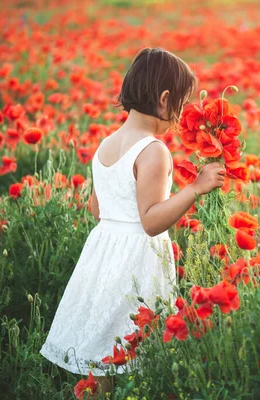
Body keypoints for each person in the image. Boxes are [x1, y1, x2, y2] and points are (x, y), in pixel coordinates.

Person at [39, 47, 226, 395]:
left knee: (103, 345)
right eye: (181, 106)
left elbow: (96, 207)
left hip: (102, 253)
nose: (180, 116)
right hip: (136, 261)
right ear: (165, 98)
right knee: (136, 343)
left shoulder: (106, 145)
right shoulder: (153, 150)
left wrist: (116, 226)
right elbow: (152, 222)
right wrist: (195, 189)